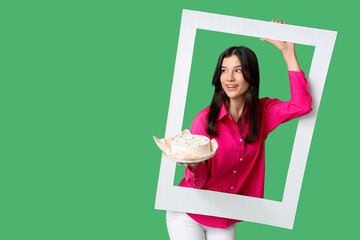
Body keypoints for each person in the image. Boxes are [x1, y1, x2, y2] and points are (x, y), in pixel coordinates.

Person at [166, 20, 312, 240]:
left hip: (226, 215)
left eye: (238, 70)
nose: (229, 78)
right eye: (224, 71)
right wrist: (193, 165)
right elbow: (199, 183)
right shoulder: (204, 119)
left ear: (251, 75)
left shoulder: (263, 112)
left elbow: (301, 106)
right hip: (189, 213)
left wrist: (288, 52)